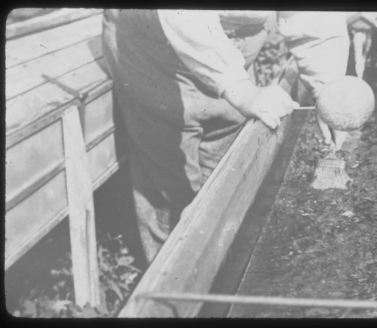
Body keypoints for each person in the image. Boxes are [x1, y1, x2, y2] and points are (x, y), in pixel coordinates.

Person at [102, 9, 350, 262]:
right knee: (170, 187)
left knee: (225, 180)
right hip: (157, 55)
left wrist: (327, 88)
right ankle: (171, 281)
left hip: (229, 60)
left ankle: (215, 271)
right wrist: (242, 91)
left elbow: (312, 16)